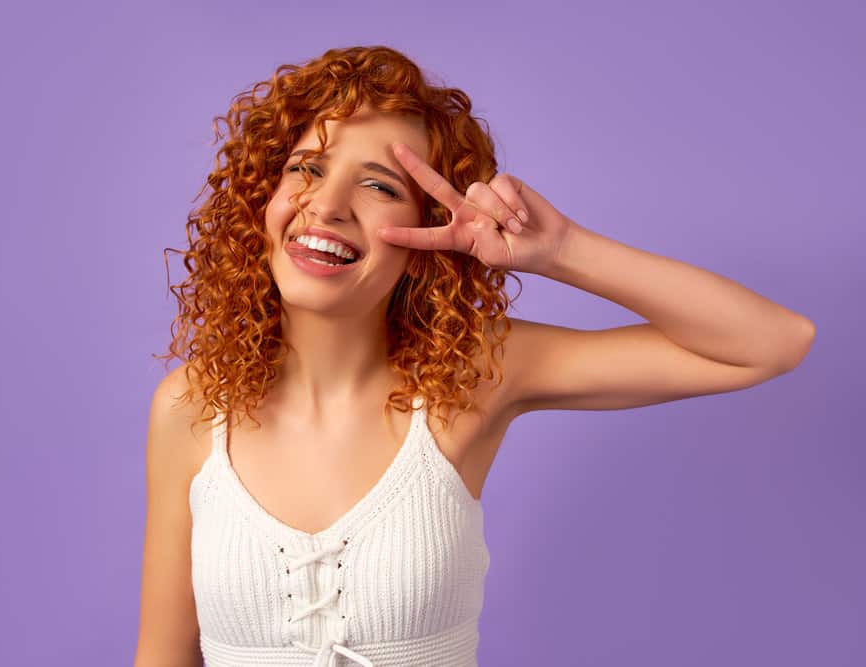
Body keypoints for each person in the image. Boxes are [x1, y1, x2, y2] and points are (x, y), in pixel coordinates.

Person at [133, 45, 816, 667]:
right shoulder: (189, 408)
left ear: (429, 235)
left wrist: (563, 250)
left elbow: (772, 342)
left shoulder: (474, 374)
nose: (327, 205)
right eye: (306, 167)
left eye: (377, 185)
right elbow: (162, 657)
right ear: (262, 196)